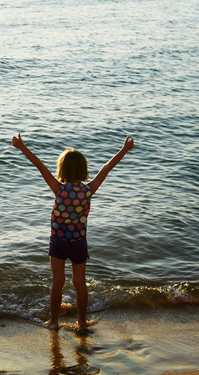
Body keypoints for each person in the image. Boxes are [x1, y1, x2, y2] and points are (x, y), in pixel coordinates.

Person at [11, 133, 134, 331]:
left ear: (62, 169)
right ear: (84, 170)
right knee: (79, 283)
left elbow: (40, 166)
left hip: (58, 241)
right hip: (78, 242)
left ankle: (54, 321)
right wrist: (124, 149)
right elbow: (106, 168)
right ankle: (82, 321)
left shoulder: (59, 189)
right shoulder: (88, 190)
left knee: (57, 282)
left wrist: (22, 147)